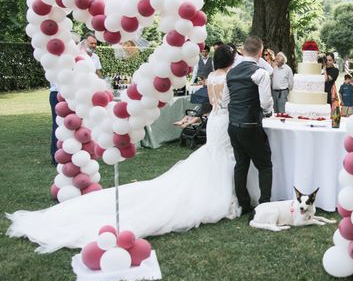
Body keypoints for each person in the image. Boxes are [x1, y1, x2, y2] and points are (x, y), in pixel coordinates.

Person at [6, 46, 243, 253]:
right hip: (225, 121)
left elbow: (213, 104)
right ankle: (226, 194)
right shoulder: (229, 78)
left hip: (215, 121)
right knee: (222, 156)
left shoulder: (211, 76)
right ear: (230, 61)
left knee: (215, 154)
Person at [223, 36, 274, 215]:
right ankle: (264, 204)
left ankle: (244, 205)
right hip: (251, 124)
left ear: (243, 51)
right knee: (265, 165)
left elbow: (225, 101)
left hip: (233, 125)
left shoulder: (230, 73)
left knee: (241, 165)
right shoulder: (261, 73)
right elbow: (266, 103)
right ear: (260, 53)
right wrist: (269, 112)